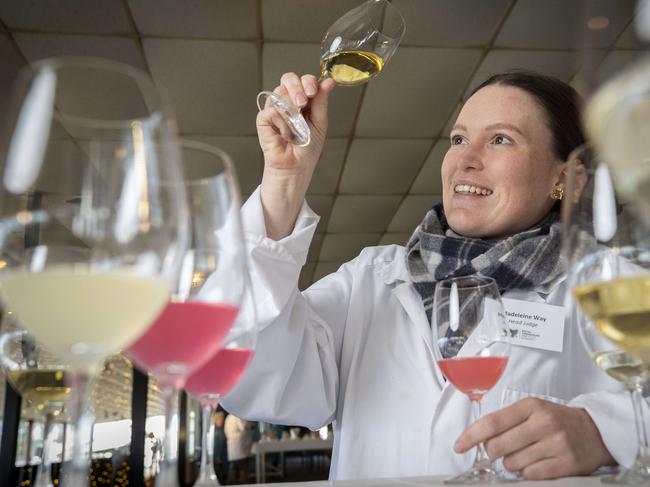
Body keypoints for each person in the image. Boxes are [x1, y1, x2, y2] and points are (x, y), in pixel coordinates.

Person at [221, 70, 642, 480]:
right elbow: (250, 379)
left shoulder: (611, 288)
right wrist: (284, 181)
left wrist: (605, 431)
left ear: (566, 179)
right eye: (458, 139)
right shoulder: (370, 280)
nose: (466, 159)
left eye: (500, 139)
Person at [224, 413, 253, 484]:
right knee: (243, 468)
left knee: (234, 467)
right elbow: (243, 427)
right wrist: (251, 425)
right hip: (240, 447)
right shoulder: (238, 415)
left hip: (232, 446)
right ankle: (244, 484)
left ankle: (232, 484)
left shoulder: (228, 417)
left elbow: (225, 431)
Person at [213, 408, 228, 484]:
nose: (222, 420)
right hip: (218, 458)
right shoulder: (214, 431)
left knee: (224, 476)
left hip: (224, 456)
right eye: (220, 419)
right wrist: (217, 457)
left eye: (223, 419)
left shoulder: (222, 429)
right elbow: (216, 446)